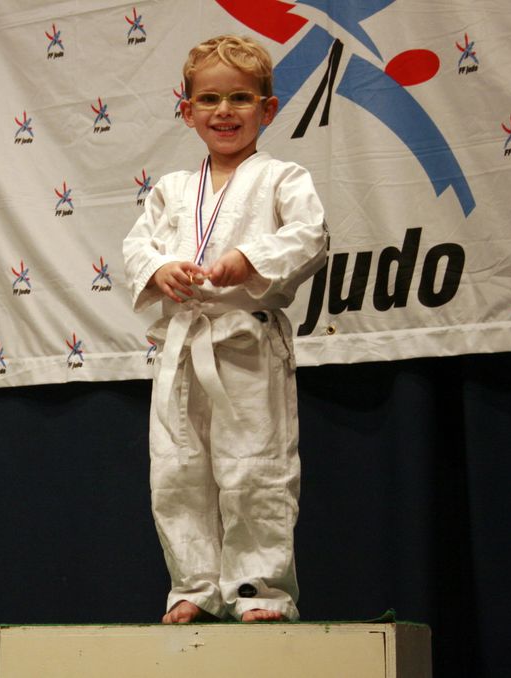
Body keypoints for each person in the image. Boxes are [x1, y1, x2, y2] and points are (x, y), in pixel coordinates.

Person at [122, 35, 328, 624]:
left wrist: (250, 258)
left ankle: (258, 589)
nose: (224, 111)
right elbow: (138, 246)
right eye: (209, 99)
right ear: (186, 110)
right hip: (184, 346)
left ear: (269, 107)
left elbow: (310, 235)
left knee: (254, 469)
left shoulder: (283, 178)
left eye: (241, 97)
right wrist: (161, 269)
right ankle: (193, 585)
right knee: (178, 470)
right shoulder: (170, 190)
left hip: (247, 343)